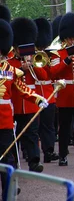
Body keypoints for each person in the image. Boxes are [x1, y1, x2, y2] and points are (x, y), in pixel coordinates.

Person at [0, 20, 48, 198]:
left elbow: (23, 89)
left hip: (5, 122)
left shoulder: (10, 70)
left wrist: (38, 99)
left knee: (8, 159)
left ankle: (9, 192)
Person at [9, 18, 48, 172]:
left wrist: (31, 64)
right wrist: (22, 68)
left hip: (31, 103)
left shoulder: (33, 58)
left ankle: (34, 161)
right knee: (14, 137)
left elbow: (43, 76)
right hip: (15, 103)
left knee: (32, 134)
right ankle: (14, 163)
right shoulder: (10, 62)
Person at [48, 13, 74, 167]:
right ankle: (63, 155)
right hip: (65, 95)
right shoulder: (58, 53)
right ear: (64, 38)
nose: (72, 41)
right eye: (69, 38)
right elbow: (53, 71)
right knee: (64, 128)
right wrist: (66, 60)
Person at [33, 18, 59, 164]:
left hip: (48, 94)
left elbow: (52, 74)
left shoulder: (49, 55)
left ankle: (48, 150)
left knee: (48, 125)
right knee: (35, 126)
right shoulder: (30, 55)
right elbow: (40, 75)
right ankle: (32, 153)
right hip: (35, 94)